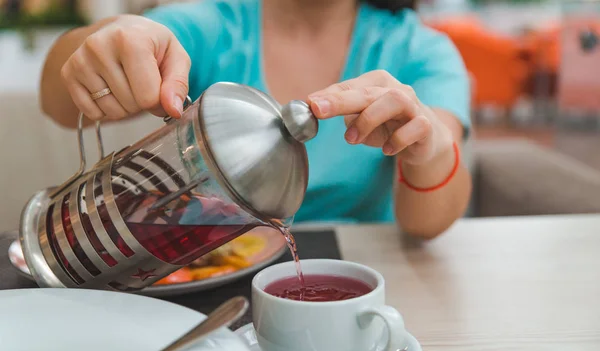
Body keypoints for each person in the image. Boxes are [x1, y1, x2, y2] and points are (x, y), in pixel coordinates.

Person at [40, 0, 472, 239]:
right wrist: (111, 43)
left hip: (363, 274)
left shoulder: (421, 51)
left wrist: (427, 149)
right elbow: (58, 103)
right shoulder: (214, 23)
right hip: (207, 264)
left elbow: (428, 223)